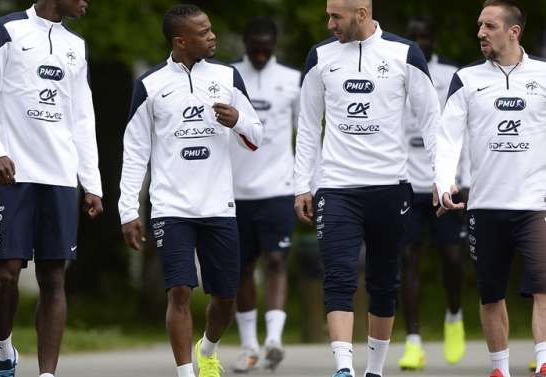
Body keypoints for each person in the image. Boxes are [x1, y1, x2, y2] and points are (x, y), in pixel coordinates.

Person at [293, 0, 440, 376]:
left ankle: (374, 369)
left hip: (390, 187)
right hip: (337, 187)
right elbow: (308, 126)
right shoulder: (320, 56)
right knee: (339, 274)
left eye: (335, 16)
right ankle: (344, 367)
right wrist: (302, 186)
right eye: (327, 15)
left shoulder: (405, 53)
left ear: (361, 14)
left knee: (384, 280)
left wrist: (443, 177)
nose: (329, 24)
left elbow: (431, 121)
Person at [118, 5, 262, 377]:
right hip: (171, 208)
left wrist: (239, 120)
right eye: (204, 32)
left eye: (212, 29)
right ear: (181, 41)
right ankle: (187, 373)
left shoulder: (228, 77)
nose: (213, 36)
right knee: (179, 291)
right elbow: (135, 152)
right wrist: (128, 210)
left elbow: (257, 136)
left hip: (218, 206)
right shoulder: (150, 86)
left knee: (226, 298)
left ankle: (208, 348)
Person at [0, 1, 103, 376]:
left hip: (61, 178)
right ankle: (3, 349)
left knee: (53, 276)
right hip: (11, 175)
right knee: (6, 273)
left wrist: (92, 183)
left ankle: (47, 373)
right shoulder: (6, 31)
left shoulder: (76, 46)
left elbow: (83, 116)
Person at [434, 1, 546, 376]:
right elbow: (447, 138)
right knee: (491, 293)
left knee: (544, 284)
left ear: (514, 32)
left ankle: (545, 361)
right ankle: (500, 369)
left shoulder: (544, 75)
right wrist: (443, 181)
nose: (481, 32)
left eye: (490, 26)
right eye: (480, 25)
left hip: (536, 203)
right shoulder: (467, 79)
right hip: (484, 205)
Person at [229, 16, 300, 373]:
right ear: (244, 43)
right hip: (234, 191)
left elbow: (305, 138)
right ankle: (249, 346)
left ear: (274, 43)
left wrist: (307, 186)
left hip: (278, 188)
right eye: (253, 45)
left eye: (265, 45)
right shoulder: (226, 78)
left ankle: (273, 339)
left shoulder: (292, 81)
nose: (259, 52)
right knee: (242, 268)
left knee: (276, 261)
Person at [399, 15, 467, 370]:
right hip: (407, 184)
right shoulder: (393, 72)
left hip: (448, 183)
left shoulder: (450, 77)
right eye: (412, 37)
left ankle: (454, 315)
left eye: (424, 37)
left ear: (434, 41)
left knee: (452, 258)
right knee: (408, 259)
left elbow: (463, 131)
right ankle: (413, 341)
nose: (418, 44)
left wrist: (464, 177)